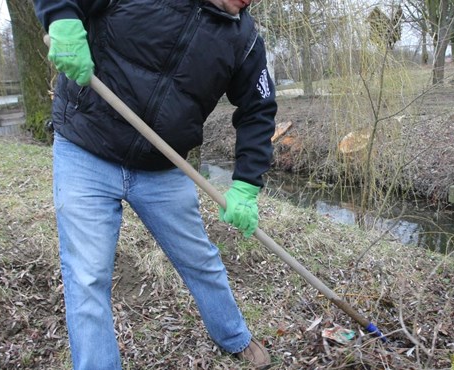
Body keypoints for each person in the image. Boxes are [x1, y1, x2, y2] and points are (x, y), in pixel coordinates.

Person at [32, 0, 276, 368]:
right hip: (86, 148)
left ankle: (234, 336)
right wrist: (62, 17)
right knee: (86, 276)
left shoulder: (244, 41)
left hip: (163, 166)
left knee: (200, 260)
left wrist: (246, 184)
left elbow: (258, 110)